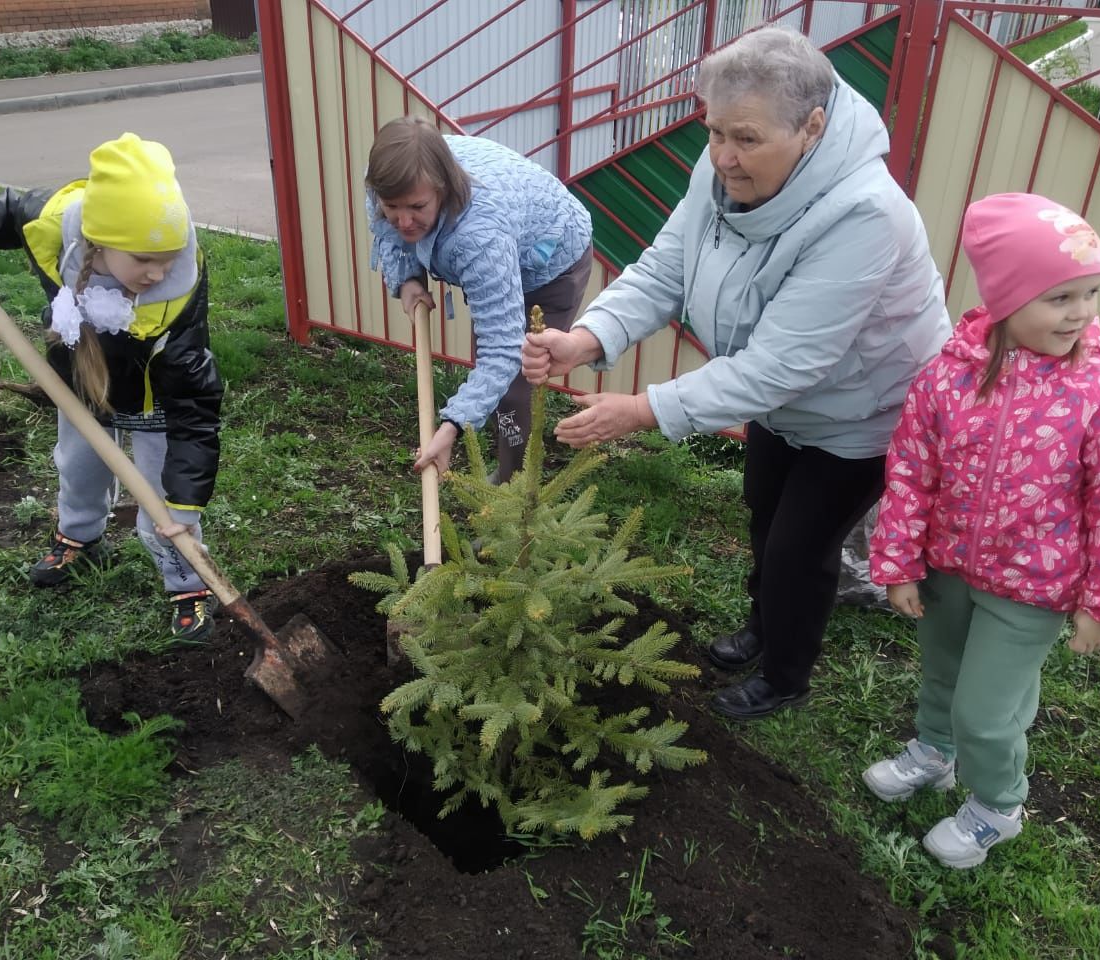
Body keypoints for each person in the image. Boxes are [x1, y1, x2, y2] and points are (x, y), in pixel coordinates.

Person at [520, 25, 951, 719]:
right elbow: (667, 265)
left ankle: (785, 674)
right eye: (714, 131)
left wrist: (644, 410)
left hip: (862, 411)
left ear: (811, 127)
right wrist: (589, 337)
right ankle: (764, 626)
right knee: (763, 511)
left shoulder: (865, 214)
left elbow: (786, 362)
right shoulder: (721, 170)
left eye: (746, 138)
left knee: (798, 549)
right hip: (782, 401)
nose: (723, 155)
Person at [863, 193, 1100, 869]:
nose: (1081, 312)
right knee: (940, 675)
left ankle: (998, 805)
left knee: (987, 712)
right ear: (1003, 298)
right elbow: (911, 469)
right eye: (1060, 298)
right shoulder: (947, 377)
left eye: (1089, 293)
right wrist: (901, 560)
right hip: (948, 570)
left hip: (1033, 589)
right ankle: (934, 753)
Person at [0, 133, 223, 641]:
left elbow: (195, 406)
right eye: (144, 258)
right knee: (77, 470)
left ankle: (188, 582)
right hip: (83, 386)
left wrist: (186, 504)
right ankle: (78, 535)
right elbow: (4, 212)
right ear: (98, 242)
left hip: (155, 401)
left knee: (163, 508)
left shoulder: (175, 300)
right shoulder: (60, 226)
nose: (158, 271)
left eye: (168, 255)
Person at [365, 117, 594, 483]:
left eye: (417, 207)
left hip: (553, 261)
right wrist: (407, 279)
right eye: (393, 206)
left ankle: (514, 491)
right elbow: (384, 225)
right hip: (508, 240)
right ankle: (500, 447)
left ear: (443, 189)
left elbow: (502, 348)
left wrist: (451, 426)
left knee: (515, 385)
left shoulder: (478, 237)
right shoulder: (386, 180)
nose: (403, 220)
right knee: (490, 372)